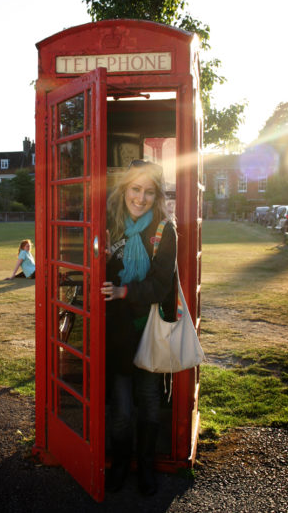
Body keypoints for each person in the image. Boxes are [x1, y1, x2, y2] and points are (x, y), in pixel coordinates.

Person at [101, 160, 177, 496]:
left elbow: (161, 284)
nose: (141, 198)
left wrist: (125, 291)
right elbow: (93, 275)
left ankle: (145, 467)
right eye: (135, 189)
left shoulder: (164, 230)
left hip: (150, 331)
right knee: (120, 408)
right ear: (125, 189)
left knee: (148, 403)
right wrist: (99, 259)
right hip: (116, 333)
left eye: (149, 191)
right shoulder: (108, 225)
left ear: (156, 195)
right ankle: (119, 465)